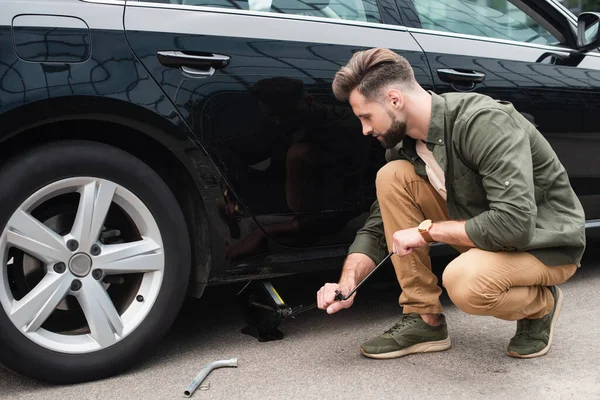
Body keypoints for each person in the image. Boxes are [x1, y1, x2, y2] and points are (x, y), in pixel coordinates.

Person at [316, 48, 586, 360]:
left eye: (366, 116)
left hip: (544, 243)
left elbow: (515, 224)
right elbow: (380, 229)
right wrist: (347, 281)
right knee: (391, 176)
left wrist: (427, 232)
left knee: (464, 281)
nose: (365, 130)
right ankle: (424, 319)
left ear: (393, 100)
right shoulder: (403, 145)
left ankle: (541, 306)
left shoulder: (482, 123)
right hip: (488, 235)